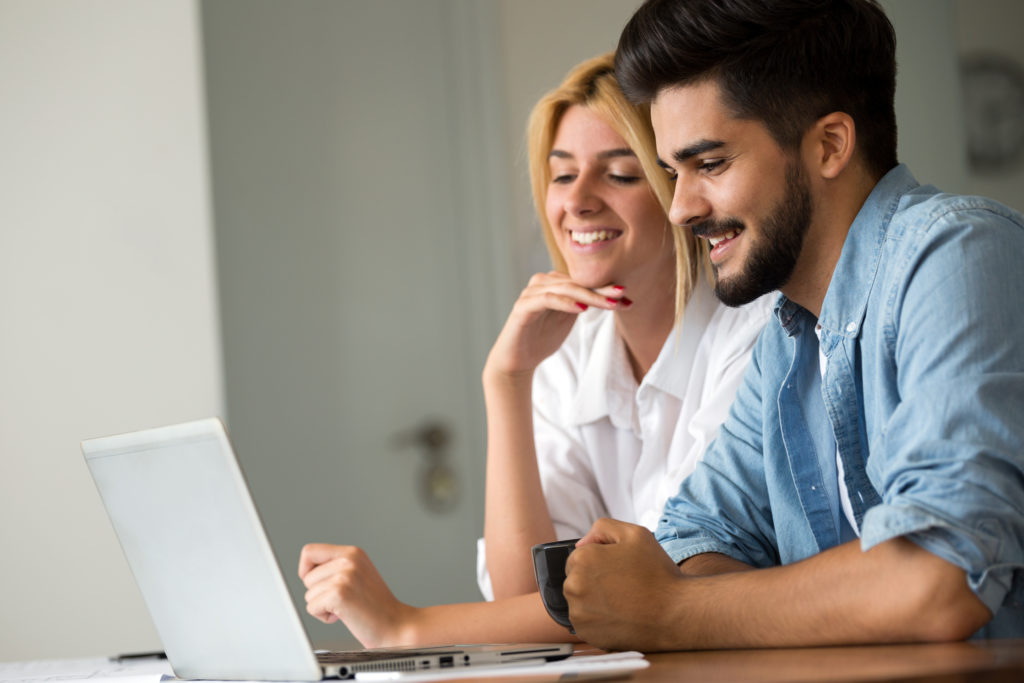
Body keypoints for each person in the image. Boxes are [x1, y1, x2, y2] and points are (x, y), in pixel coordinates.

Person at [562, 0, 1024, 652]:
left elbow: (938, 579)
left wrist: (672, 612)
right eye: (673, 172)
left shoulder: (957, 255)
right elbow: (696, 533)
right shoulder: (789, 334)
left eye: (710, 164)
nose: (681, 209)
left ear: (830, 144)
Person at [298, 52, 771, 646]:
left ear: (677, 191)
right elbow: (527, 598)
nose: (578, 201)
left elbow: (651, 593)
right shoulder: (565, 352)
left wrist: (408, 627)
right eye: (562, 174)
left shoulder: (754, 334)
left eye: (619, 174)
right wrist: (508, 382)